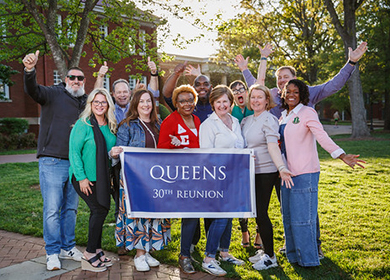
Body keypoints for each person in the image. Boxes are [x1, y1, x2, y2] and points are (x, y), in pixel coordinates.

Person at [235, 41, 368, 256]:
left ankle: (314, 247)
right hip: (275, 162)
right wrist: (245, 69)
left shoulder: (307, 96)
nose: (282, 81)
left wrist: (351, 62)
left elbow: (333, 85)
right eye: (279, 79)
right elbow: (256, 89)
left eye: (286, 77)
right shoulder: (274, 98)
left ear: (295, 80)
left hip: (300, 162)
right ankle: (291, 245)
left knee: (305, 207)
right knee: (286, 207)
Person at [279, 79, 365, 267]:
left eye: (296, 91)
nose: (291, 95)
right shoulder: (284, 115)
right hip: (286, 175)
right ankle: (293, 256)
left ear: (302, 94)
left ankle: (309, 260)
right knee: (288, 218)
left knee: (303, 220)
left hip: (304, 172)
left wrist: (341, 155)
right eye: (288, 91)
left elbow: (322, 136)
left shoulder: (307, 112)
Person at [22, 50, 86, 271]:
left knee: (70, 209)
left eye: (80, 78)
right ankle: (52, 252)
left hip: (76, 165)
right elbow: (33, 90)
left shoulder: (84, 101)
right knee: (51, 209)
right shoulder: (53, 93)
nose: (76, 81)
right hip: (52, 162)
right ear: (65, 79)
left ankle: (68, 247)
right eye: (72, 77)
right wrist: (29, 70)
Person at [115, 89, 170, 272]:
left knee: (152, 215)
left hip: (155, 178)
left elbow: (165, 148)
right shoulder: (128, 125)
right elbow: (118, 153)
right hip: (134, 179)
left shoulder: (159, 124)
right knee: (138, 215)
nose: (146, 105)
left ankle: (147, 250)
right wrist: (116, 151)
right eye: (142, 102)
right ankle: (139, 255)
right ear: (135, 105)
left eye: (149, 101)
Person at [241, 84, 294, 270]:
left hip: (267, 171)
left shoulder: (270, 120)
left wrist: (281, 167)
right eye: (253, 97)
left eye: (260, 97)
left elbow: (273, 146)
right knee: (257, 213)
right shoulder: (247, 121)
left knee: (261, 214)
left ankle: (271, 257)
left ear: (266, 101)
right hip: (251, 172)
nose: (256, 100)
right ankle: (265, 252)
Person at [69, 88, 121, 272]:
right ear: (91, 104)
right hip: (84, 176)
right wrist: (81, 178)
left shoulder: (110, 125)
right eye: (96, 102)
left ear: (108, 105)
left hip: (103, 176)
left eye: (103, 102)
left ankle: (97, 249)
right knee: (98, 209)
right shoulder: (83, 124)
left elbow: (108, 153)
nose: (99, 105)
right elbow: (74, 152)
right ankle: (90, 252)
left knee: (102, 209)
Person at [199, 85, 246, 276]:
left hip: (235, 176)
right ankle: (209, 258)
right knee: (221, 217)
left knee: (230, 216)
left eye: (225, 101)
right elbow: (206, 155)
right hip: (217, 178)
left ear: (230, 102)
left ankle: (224, 253)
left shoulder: (235, 121)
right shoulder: (208, 125)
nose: (222, 105)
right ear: (212, 104)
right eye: (218, 102)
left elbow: (240, 147)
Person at [157, 85, 200, 274]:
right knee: (190, 213)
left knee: (196, 212)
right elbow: (160, 148)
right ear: (175, 103)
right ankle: (184, 256)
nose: (187, 104)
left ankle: (191, 246)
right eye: (182, 101)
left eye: (190, 100)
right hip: (180, 177)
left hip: (199, 174)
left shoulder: (198, 120)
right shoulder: (170, 121)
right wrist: (172, 144)